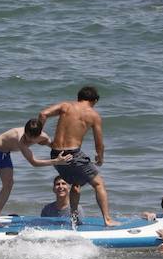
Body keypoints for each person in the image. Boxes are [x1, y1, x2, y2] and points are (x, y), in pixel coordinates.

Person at [39, 86, 118, 226]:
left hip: (56, 155)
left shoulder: (65, 106)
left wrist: (38, 136)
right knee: (98, 183)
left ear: (79, 97)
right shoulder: (93, 115)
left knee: (76, 184)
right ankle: (107, 219)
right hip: (73, 154)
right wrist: (100, 157)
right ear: (94, 100)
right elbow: (99, 143)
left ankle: (74, 218)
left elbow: (43, 114)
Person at [0, 117, 76, 227]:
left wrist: (68, 155)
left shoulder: (43, 137)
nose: (29, 141)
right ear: (25, 132)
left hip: (5, 154)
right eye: (28, 137)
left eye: (33, 139)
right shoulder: (20, 139)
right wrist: (56, 161)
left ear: (38, 135)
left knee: (9, 184)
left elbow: (55, 146)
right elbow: (34, 162)